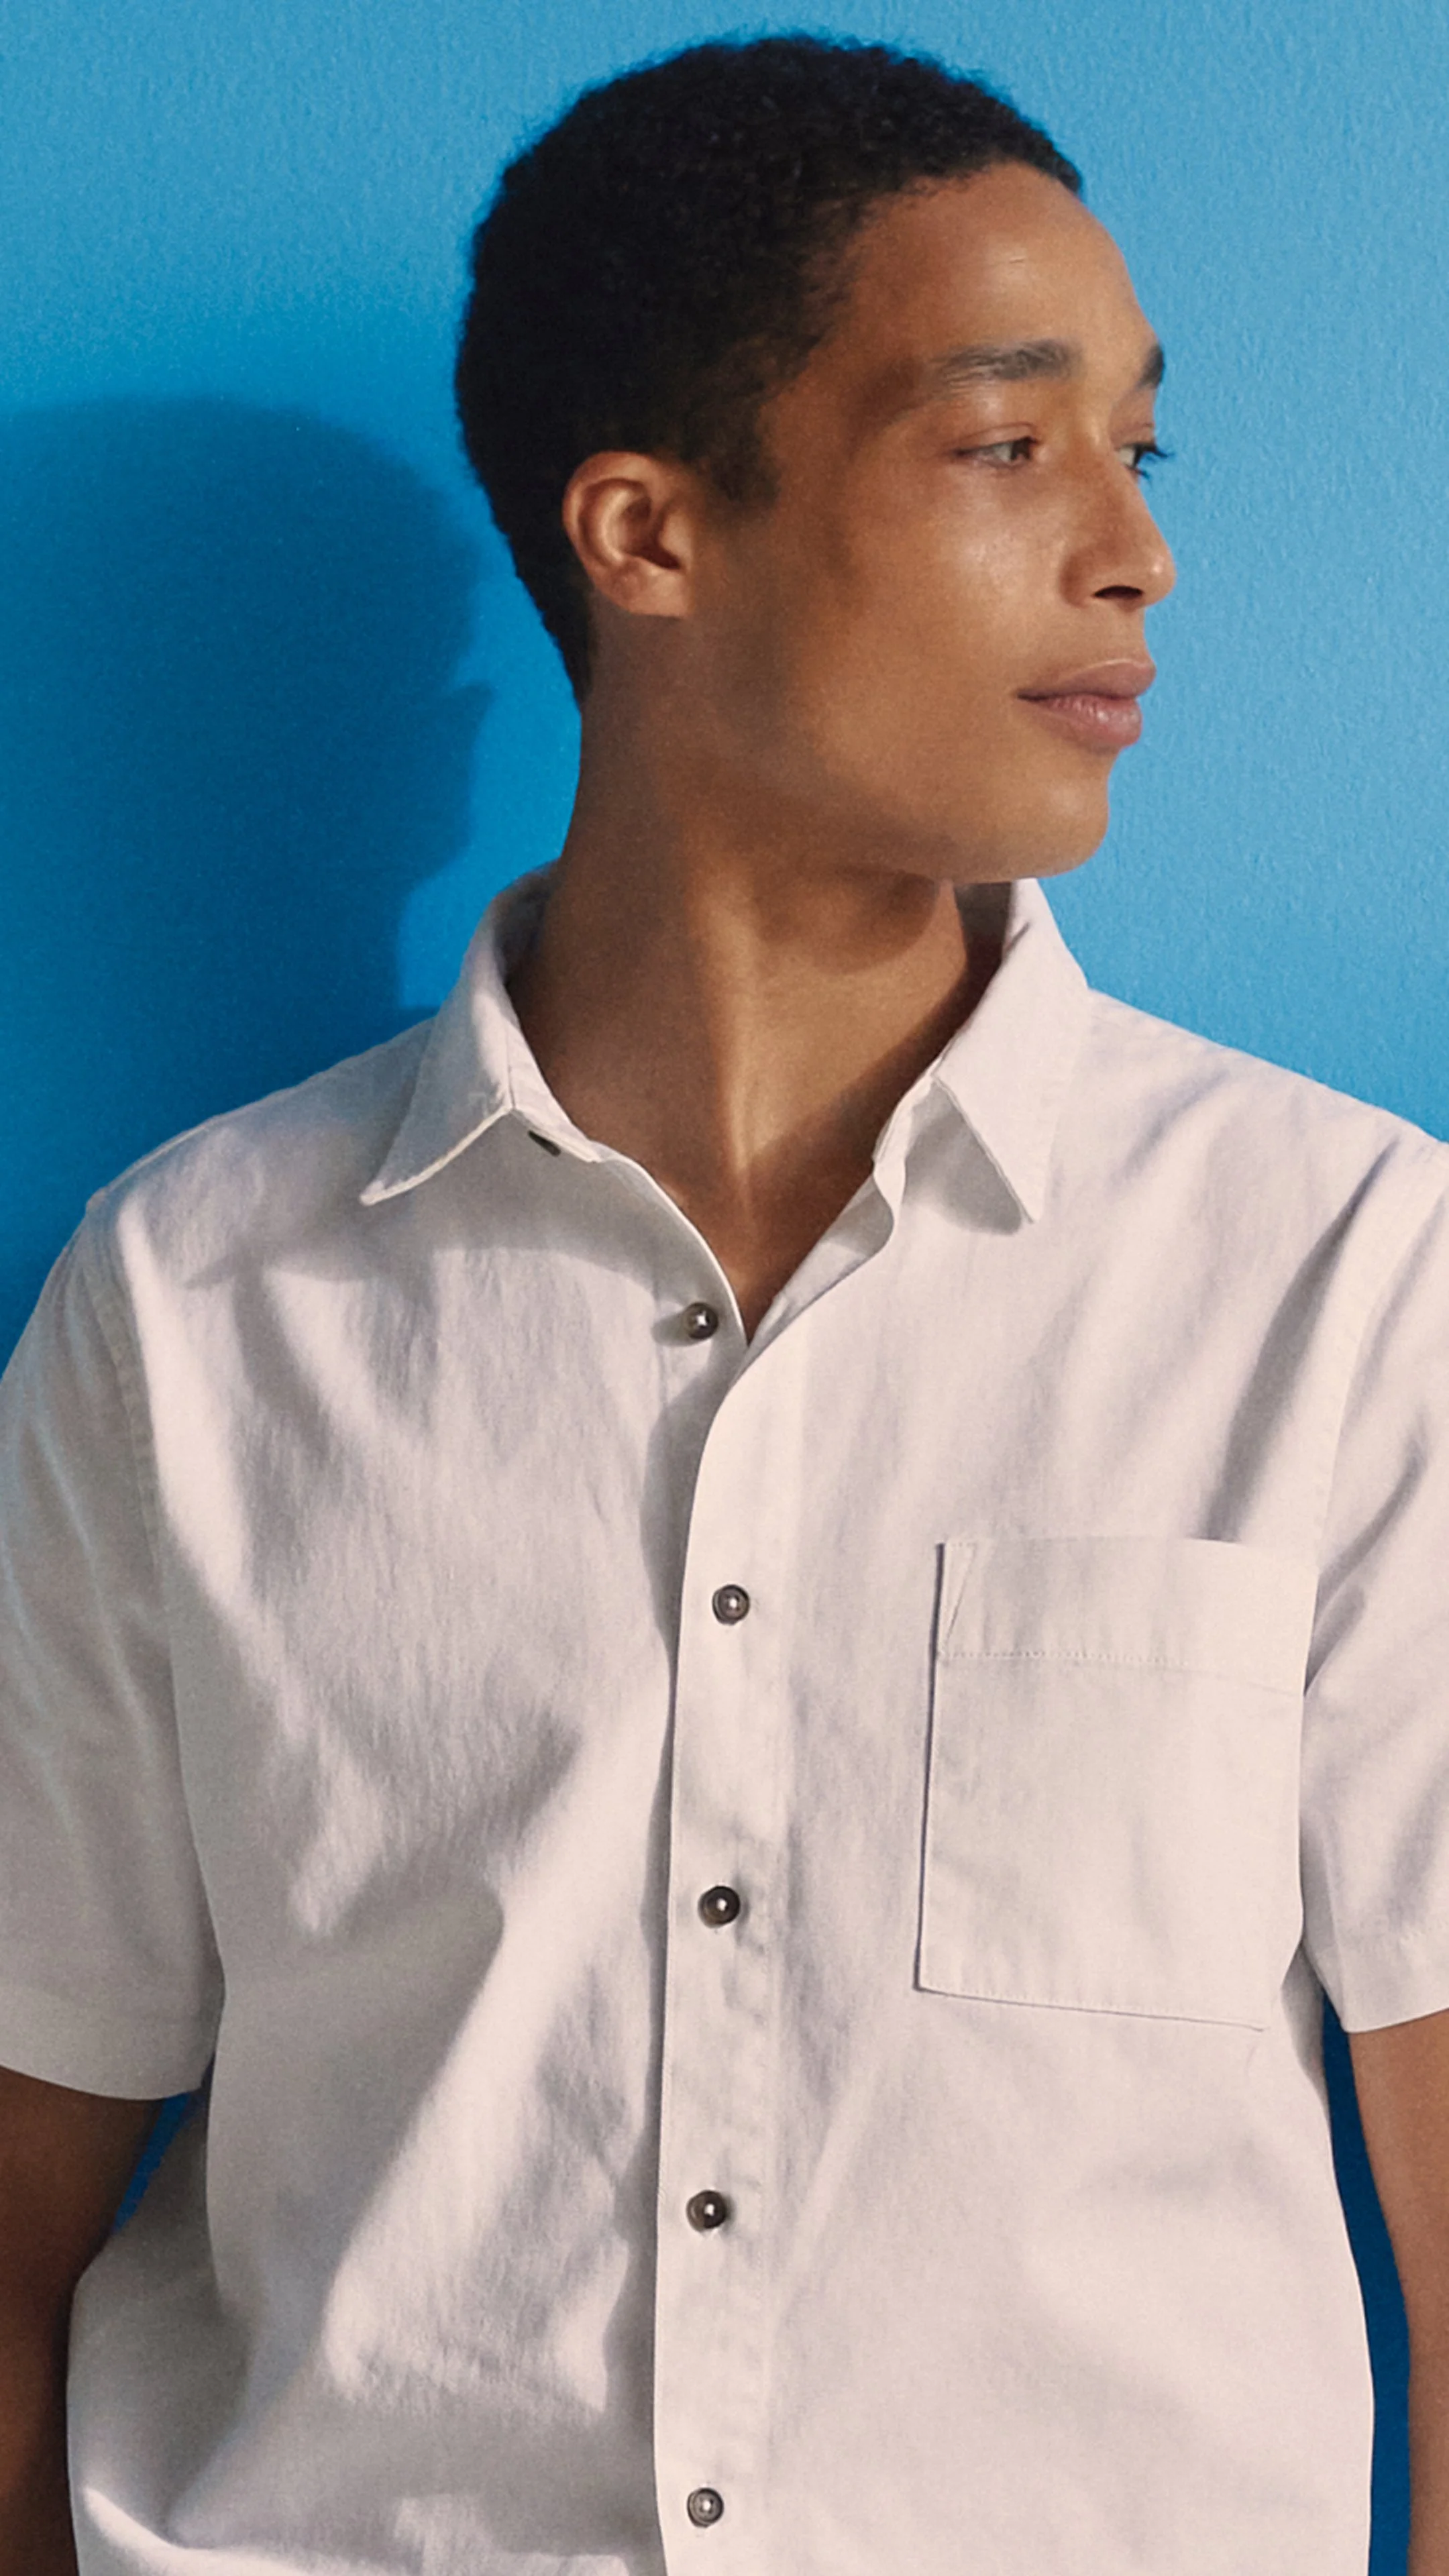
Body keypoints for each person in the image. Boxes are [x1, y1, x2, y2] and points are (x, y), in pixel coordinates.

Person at [1, 31, 1447, 2576]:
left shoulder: (1345, 1279)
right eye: (1009, 444)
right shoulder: (190, 1305)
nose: (1137, 551)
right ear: (649, 535)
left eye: (1144, 446)